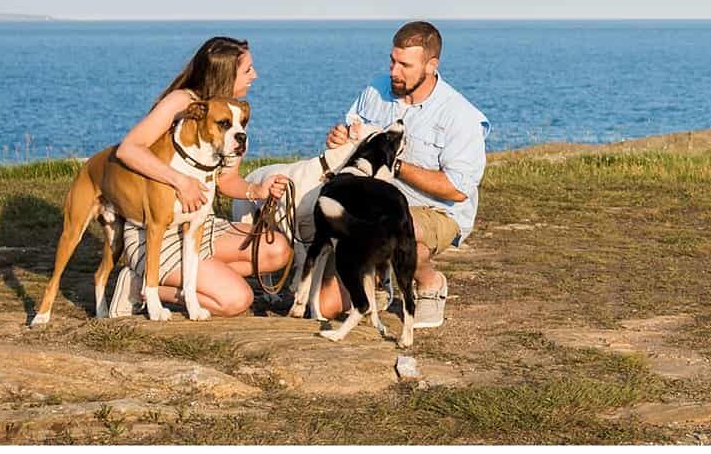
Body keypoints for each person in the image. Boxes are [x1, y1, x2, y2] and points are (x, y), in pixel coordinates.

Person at [315, 19, 486, 330]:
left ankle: (430, 284)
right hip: (370, 204)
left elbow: (457, 190)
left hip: (435, 212)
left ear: (431, 65)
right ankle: (377, 279)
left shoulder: (459, 115)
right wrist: (341, 140)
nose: (394, 71)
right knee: (325, 307)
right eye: (392, 61)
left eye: (405, 65)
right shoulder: (375, 91)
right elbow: (354, 140)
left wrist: (395, 166)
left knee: (399, 228)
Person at [115, 36, 291, 318]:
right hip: (156, 229)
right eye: (248, 70)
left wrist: (257, 190)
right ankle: (142, 288)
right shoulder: (182, 102)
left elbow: (225, 181)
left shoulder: (234, 117)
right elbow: (128, 150)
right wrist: (180, 181)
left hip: (196, 224)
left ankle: (197, 278)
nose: (255, 76)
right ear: (225, 74)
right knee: (236, 300)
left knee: (277, 250)